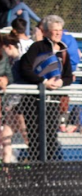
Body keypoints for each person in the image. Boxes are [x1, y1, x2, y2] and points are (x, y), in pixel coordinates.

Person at [19, 14, 73, 161]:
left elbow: (68, 76)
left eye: (60, 30)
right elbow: (25, 69)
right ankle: (36, 175)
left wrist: (60, 83)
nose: (57, 33)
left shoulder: (63, 51)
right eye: (54, 30)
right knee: (36, 139)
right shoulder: (37, 47)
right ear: (47, 31)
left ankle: (47, 175)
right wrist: (43, 82)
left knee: (50, 140)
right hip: (34, 101)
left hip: (53, 102)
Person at [0, 33, 28, 163]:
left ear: (9, 47)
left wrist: (11, 103)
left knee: (27, 135)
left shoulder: (21, 61)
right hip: (14, 106)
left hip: (22, 106)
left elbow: (21, 85)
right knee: (6, 134)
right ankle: (6, 169)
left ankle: (39, 166)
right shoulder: (11, 62)